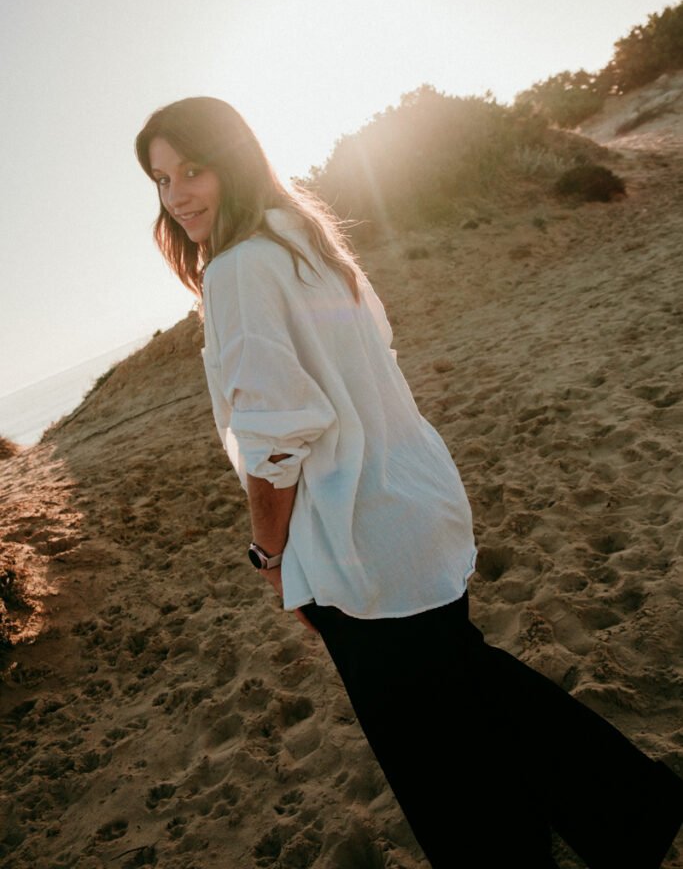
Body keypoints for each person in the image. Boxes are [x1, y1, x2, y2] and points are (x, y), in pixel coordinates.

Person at [135, 96, 683, 869]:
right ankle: (632, 811)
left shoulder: (236, 270)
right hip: (417, 507)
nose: (178, 195)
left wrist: (269, 555)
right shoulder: (308, 240)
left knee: (437, 767)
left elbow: (276, 438)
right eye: (161, 180)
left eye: (192, 169)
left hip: (360, 544)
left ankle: (622, 813)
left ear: (235, 157)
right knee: (471, 696)